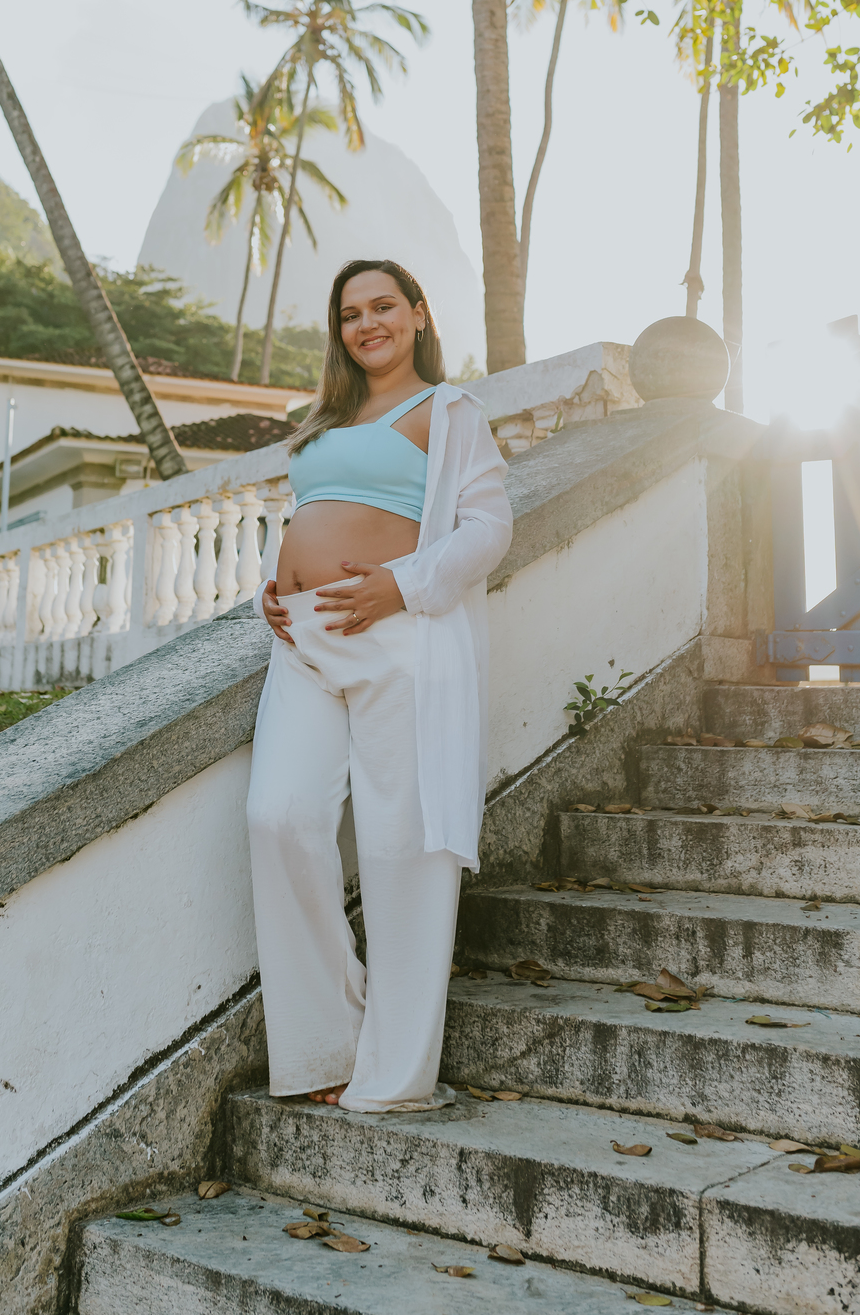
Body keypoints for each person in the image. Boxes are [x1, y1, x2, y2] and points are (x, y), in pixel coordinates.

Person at [246, 258, 513, 1113]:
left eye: (383, 307)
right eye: (351, 313)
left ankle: (393, 1078)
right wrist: (272, 581)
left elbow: (489, 527)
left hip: (395, 635)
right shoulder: (325, 418)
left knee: (402, 850)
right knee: (278, 816)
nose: (368, 324)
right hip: (304, 641)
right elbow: (309, 513)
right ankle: (327, 1048)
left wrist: (400, 584)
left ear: (418, 315)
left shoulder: (448, 410)